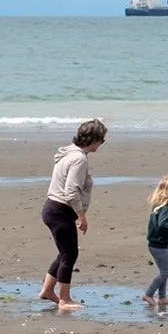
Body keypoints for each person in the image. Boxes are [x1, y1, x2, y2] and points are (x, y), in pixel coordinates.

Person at [37, 118, 104, 310]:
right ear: (94, 139)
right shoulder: (78, 159)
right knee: (70, 254)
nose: (101, 144)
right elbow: (71, 191)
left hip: (54, 208)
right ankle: (64, 298)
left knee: (65, 252)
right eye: (102, 140)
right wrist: (82, 216)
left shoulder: (69, 154)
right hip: (60, 210)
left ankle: (47, 291)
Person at [142, 174, 168, 306]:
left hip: (154, 244)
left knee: (163, 272)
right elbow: (163, 224)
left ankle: (162, 297)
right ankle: (149, 294)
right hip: (159, 246)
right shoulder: (165, 209)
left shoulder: (157, 206)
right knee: (166, 272)